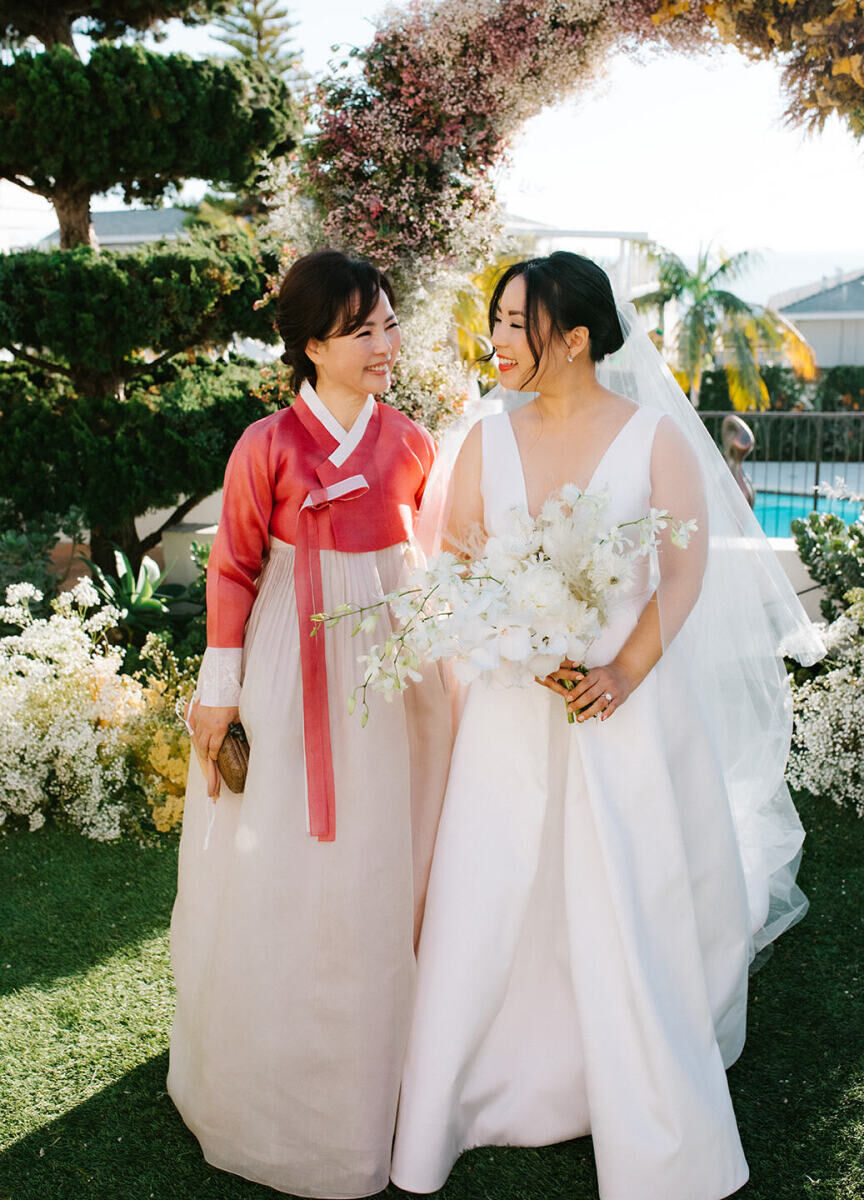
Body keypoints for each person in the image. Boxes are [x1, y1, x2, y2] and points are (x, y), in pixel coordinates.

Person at [390, 252, 822, 1200]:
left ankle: (633, 1073)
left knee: (627, 887)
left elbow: (684, 572)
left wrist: (623, 669)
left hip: (623, 708)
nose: (497, 340)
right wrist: (516, 636)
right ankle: (491, 1074)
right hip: (514, 705)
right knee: (502, 882)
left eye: (516, 323)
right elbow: (454, 559)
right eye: (496, 321)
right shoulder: (484, 443)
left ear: (575, 338)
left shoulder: (652, 439)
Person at [168, 249, 450, 1199]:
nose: (386, 344)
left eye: (390, 323)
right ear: (311, 343)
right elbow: (234, 569)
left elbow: (436, 551)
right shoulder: (267, 444)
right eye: (363, 329)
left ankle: (386, 1059)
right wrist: (220, 688)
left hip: (391, 664)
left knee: (386, 852)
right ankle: (273, 1055)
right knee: (286, 851)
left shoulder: (411, 442)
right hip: (293, 661)